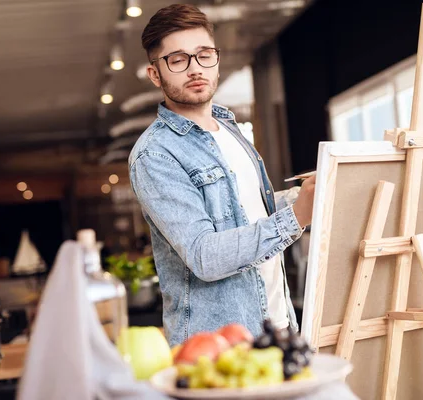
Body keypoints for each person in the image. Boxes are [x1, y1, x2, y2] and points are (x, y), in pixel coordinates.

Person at [129, 4, 316, 347]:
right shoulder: (154, 154)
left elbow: (246, 212)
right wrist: (295, 217)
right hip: (217, 345)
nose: (195, 69)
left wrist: (303, 197)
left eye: (203, 55)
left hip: (277, 326)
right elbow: (204, 255)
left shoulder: (229, 129)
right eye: (177, 60)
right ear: (155, 74)